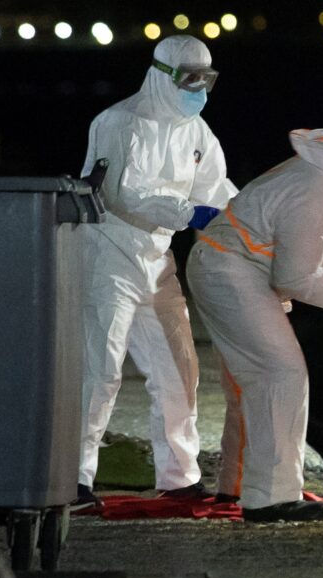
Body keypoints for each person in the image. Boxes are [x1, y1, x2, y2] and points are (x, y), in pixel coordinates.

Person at [186, 92, 323, 521]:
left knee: (253, 380)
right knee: (280, 373)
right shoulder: (316, 190)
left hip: (228, 264)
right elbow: (295, 280)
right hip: (230, 272)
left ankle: (237, 487)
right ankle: (269, 498)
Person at [78, 35, 238, 506]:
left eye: (206, 79)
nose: (199, 89)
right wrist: (192, 215)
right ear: (162, 75)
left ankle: (179, 477)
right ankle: (73, 477)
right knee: (100, 371)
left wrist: (250, 221)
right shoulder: (118, 122)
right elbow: (121, 194)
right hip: (109, 252)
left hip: (158, 257)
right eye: (190, 79)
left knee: (179, 369)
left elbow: (219, 189)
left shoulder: (198, 131)